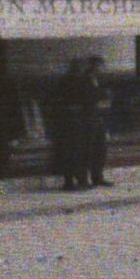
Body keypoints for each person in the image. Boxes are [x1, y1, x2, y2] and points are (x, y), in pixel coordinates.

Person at [48, 59, 88, 191]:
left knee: (75, 151)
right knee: (72, 151)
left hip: (74, 122)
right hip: (69, 122)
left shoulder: (73, 81)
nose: (80, 71)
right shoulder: (68, 82)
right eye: (78, 68)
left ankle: (76, 179)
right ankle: (72, 180)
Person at [83, 56, 114, 188]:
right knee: (89, 149)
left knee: (101, 149)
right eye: (100, 66)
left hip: (100, 119)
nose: (102, 69)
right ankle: (85, 178)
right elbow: (86, 99)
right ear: (93, 66)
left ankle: (98, 176)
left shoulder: (100, 80)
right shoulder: (85, 80)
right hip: (89, 119)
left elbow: (105, 96)